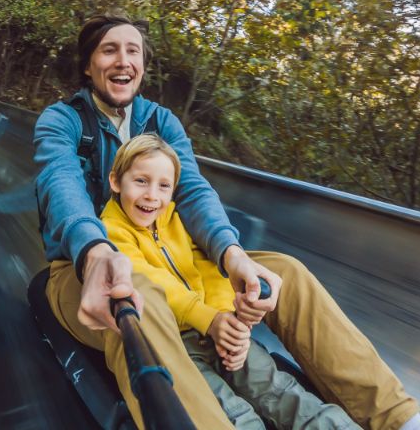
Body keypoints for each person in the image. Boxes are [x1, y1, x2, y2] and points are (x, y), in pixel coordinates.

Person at [34, 14, 420, 430]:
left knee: (284, 273)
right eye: (109, 50)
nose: (123, 60)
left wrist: (231, 255)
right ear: (88, 65)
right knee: (137, 294)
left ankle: (400, 420)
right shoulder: (62, 121)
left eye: (132, 51)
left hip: (181, 260)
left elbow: (192, 191)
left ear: (143, 65)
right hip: (84, 271)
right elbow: (61, 184)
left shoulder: (161, 123)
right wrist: (95, 252)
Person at [102, 133, 361, 429]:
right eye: (141, 181)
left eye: (164, 186)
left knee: (281, 392)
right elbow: (151, 279)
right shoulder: (110, 230)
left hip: (218, 329)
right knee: (233, 414)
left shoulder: (174, 219)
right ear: (115, 181)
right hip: (178, 344)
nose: (152, 196)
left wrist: (229, 321)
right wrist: (208, 319)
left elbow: (207, 265)